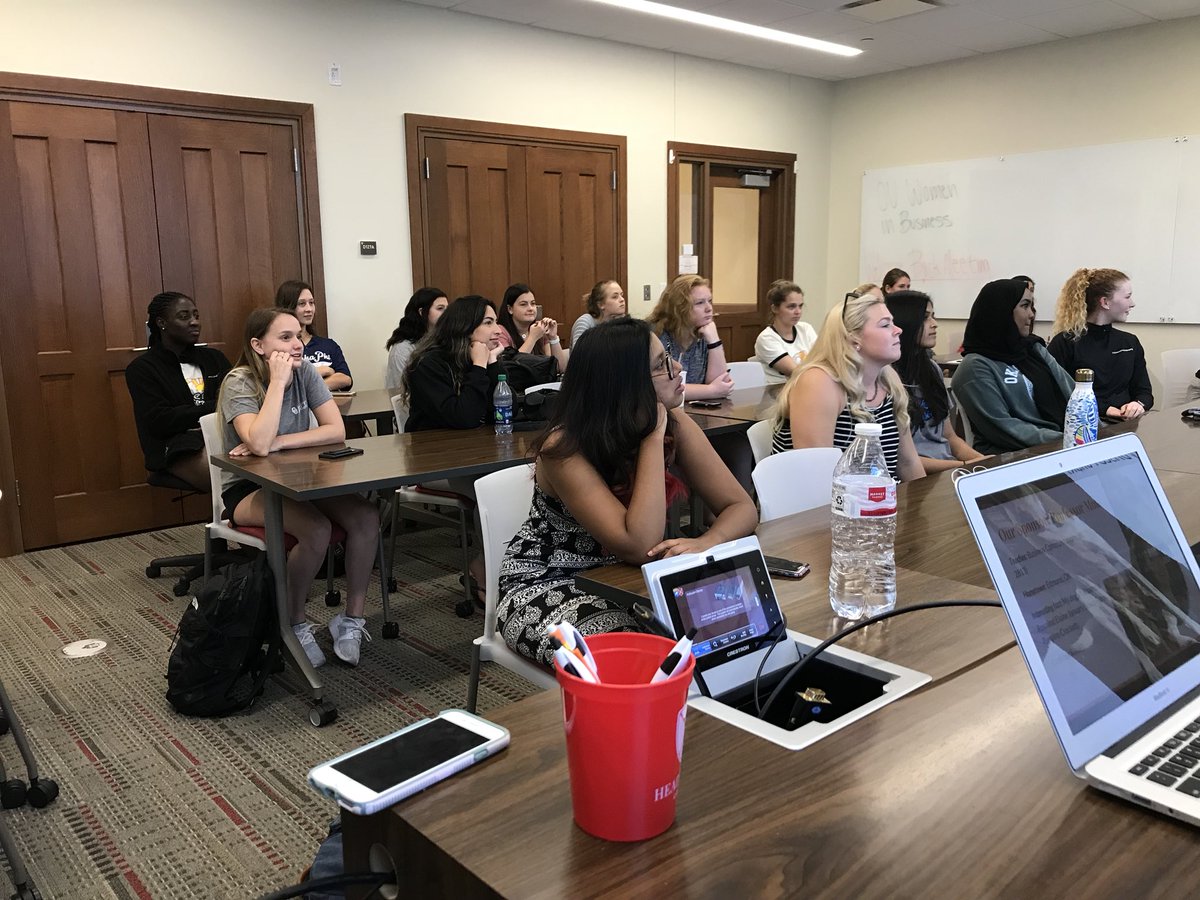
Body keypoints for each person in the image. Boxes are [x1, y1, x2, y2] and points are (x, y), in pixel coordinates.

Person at [496, 317, 758, 665]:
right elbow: (638, 544)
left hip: (629, 580)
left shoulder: (675, 424)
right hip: (547, 583)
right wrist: (652, 436)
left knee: (738, 625)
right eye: (661, 364)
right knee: (645, 657)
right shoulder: (565, 446)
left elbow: (741, 506)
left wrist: (707, 541)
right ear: (624, 383)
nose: (678, 368)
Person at [217, 307, 380, 667]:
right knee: (317, 530)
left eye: (299, 336)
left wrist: (279, 443)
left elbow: (335, 430)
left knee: (366, 517)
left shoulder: (305, 371)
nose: (298, 345)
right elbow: (256, 443)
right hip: (249, 487)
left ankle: (351, 620)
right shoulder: (239, 382)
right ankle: (293, 623)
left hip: (301, 479)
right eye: (285, 338)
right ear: (258, 345)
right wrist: (276, 384)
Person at [771, 293, 924, 482]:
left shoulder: (888, 378)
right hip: (826, 504)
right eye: (886, 325)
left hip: (877, 500)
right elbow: (816, 476)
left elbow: (908, 463)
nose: (898, 330)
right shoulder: (819, 382)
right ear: (854, 340)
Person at [952, 279, 1074, 454]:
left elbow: (1070, 391)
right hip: (1011, 456)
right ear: (1001, 311)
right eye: (1025, 306)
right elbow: (1003, 427)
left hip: (1059, 446)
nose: (1031, 314)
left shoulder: (1034, 349)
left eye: (1031, 306)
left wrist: (1094, 431)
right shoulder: (975, 367)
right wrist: (1065, 440)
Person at [126, 291, 232, 491]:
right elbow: (160, 420)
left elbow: (234, 400)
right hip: (177, 446)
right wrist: (214, 408)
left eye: (196, 316)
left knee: (261, 472)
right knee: (231, 482)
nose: (194, 322)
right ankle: (234, 518)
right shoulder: (142, 369)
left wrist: (195, 415)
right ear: (161, 323)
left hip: (223, 437)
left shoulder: (214, 358)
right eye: (184, 316)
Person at [884, 290, 985, 474]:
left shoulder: (931, 369)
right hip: (919, 477)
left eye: (933, 316)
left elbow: (950, 437)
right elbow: (903, 460)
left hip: (949, 468)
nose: (935, 324)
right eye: (925, 318)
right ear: (906, 322)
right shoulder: (887, 378)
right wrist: (963, 466)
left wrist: (980, 461)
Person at [1048, 268, 1152, 419]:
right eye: (1127, 297)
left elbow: (1144, 392)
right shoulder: (1065, 343)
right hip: (1084, 423)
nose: (1132, 303)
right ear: (1105, 302)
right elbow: (1058, 395)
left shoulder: (1130, 342)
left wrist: (1137, 404)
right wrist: (1107, 410)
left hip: (1127, 424)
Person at [401, 295, 504, 432]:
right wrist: (479, 366)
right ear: (465, 327)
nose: (498, 330)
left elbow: (507, 412)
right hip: (434, 447)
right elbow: (464, 418)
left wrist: (492, 363)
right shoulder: (428, 365)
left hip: (475, 444)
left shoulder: (483, 358)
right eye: (488, 322)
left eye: (496, 322)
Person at [646, 274, 734, 401]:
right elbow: (657, 389)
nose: (709, 308)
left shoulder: (704, 333)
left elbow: (721, 384)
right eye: (699, 303)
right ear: (679, 307)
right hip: (660, 413)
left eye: (709, 301)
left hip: (696, 410)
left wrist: (714, 342)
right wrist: (710, 391)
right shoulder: (655, 335)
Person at [275, 280, 352, 391]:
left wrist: (308, 389)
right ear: (288, 306)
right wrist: (323, 371)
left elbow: (345, 379)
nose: (309, 309)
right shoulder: (281, 347)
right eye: (302, 304)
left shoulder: (328, 345)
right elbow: (286, 384)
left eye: (311, 303)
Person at [754, 279, 818, 384]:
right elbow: (796, 372)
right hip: (778, 393)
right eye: (791, 306)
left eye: (800, 306)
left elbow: (822, 359)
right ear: (775, 308)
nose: (798, 312)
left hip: (806, 386)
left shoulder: (806, 328)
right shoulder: (767, 338)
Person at [384, 287, 447, 393]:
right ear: (422, 312)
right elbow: (403, 391)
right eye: (440, 308)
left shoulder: (443, 341)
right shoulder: (402, 349)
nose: (446, 314)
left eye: (447, 309)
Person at [495, 283, 569, 373]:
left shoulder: (540, 330)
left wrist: (553, 338)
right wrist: (533, 337)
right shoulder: (500, 332)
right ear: (510, 309)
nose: (530, 308)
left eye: (533, 304)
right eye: (523, 304)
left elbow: (560, 368)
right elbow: (513, 368)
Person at [570, 280, 627, 348]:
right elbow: (579, 354)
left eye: (622, 295)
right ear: (601, 305)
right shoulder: (585, 322)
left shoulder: (621, 323)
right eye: (615, 297)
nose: (622, 300)